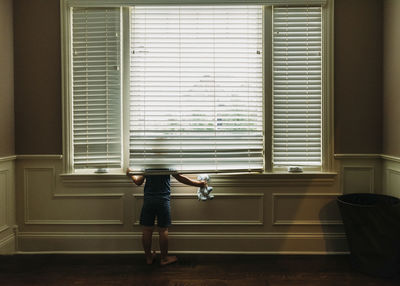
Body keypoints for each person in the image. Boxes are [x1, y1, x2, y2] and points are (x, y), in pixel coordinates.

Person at [126, 168, 208, 266]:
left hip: (149, 201)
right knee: (163, 230)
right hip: (163, 201)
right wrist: (199, 183)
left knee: (147, 230)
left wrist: (131, 173)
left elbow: (138, 181)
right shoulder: (168, 165)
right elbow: (181, 178)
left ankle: (148, 258)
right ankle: (164, 258)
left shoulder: (148, 166)